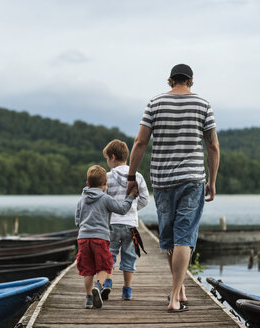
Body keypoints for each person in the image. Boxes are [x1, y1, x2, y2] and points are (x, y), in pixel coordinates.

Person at [126, 63, 220, 312]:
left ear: (170, 81)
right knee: (184, 237)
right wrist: (212, 179)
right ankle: (175, 297)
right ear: (191, 81)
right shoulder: (203, 104)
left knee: (170, 238)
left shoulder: (154, 103)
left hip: (163, 180)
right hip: (192, 179)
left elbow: (140, 142)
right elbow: (212, 146)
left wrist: (131, 176)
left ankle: (178, 290)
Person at [75, 164, 139, 309]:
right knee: (106, 265)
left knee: (87, 269)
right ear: (105, 183)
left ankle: (88, 299)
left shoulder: (81, 200)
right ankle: (98, 285)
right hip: (101, 238)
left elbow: (77, 220)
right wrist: (130, 197)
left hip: (83, 238)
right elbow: (122, 209)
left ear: (87, 184)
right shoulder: (105, 198)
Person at [100, 139, 150, 301]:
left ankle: (107, 282)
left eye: (107, 158)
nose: (107, 162)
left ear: (112, 157)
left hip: (111, 224)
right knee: (129, 256)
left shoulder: (107, 177)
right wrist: (133, 208)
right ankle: (127, 290)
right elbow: (145, 199)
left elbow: (102, 199)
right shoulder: (137, 176)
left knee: (109, 255)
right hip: (131, 226)